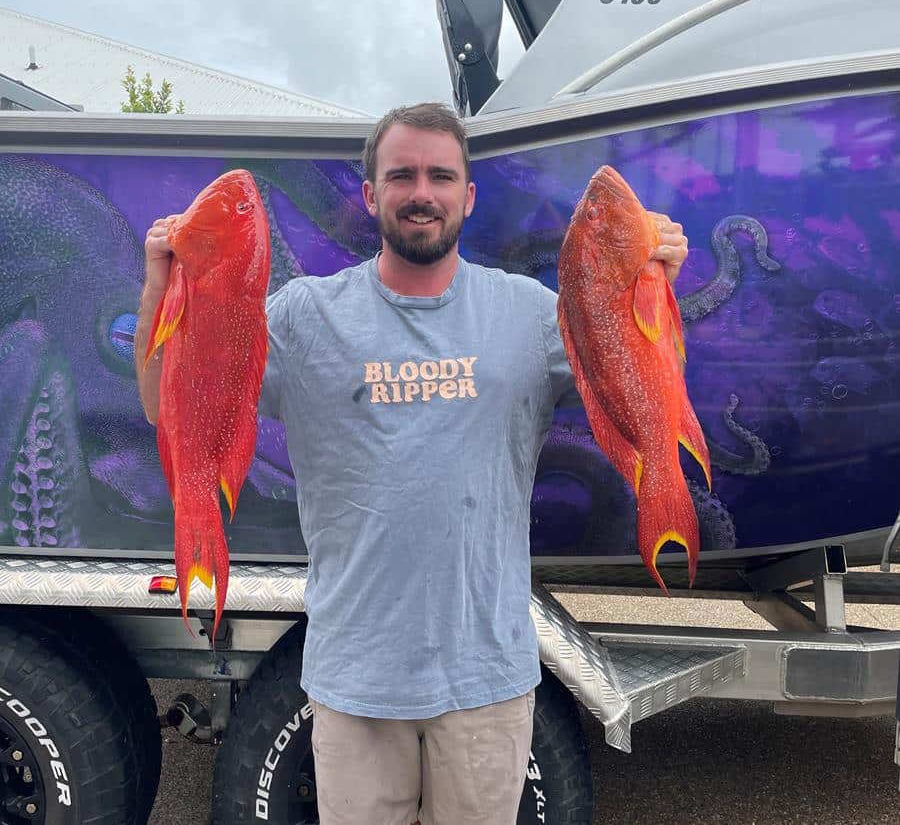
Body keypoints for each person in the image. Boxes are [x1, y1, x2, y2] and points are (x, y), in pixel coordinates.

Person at [136, 102, 688, 825]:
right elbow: (164, 405)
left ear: (468, 195)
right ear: (371, 194)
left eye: (439, 175)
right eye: (401, 175)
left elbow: (644, 383)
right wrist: (159, 282)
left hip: (485, 677)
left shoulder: (529, 311)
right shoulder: (306, 314)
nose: (420, 191)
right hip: (354, 677)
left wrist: (654, 283)